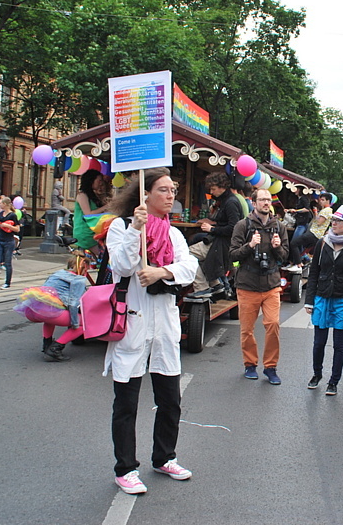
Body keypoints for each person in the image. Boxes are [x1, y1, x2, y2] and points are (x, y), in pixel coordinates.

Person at [102, 167, 197, 494]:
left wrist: (161, 272)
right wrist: (135, 230)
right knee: (126, 404)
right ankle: (125, 468)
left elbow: (188, 269)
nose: (171, 196)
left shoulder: (174, 233)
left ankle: (164, 457)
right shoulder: (121, 227)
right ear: (145, 194)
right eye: (164, 190)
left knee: (170, 400)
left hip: (165, 329)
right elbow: (122, 266)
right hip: (133, 324)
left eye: (173, 190)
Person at [229, 187, 290, 384]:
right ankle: (250, 364)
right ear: (253, 203)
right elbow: (233, 254)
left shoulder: (278, 226)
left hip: (271, 284)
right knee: (247, 329)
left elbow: (285, 257)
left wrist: (277, 247)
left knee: (273, 324)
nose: (266, 203)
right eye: (262, 200)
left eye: (268, 200)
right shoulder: (242, 225)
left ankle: (271, 367)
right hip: (247, 285)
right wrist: (250, 246)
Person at [304, 206, 343, 396]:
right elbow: (314, 273)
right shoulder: (323, 242)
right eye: (334, 220)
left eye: (338, 221)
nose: (334, 223)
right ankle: (316, 374)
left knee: (339, 344)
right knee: (318, 343)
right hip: (322, 297)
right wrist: (309, 300)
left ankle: (334, 381)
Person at [187, 172, 243, 298]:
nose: (212, 192)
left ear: (222, 186)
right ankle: (215, 283)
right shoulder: (227, 200)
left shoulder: (230, 202)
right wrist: (215, 223)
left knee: (187, 254)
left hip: (223, 244)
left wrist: (212, 229)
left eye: (213, 189)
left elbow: (234, 228)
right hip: (223, 243)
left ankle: (202, 287)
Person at [37, 256, 91, 362]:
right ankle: (55, 349)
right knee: (82, 325)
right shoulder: (78, 280)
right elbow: (73, 304)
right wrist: (74, 323)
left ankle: (46, 345)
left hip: (37, 308)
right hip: (53, 310)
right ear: (84, 268)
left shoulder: (58, 273)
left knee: (50, 317)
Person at [73, 170, 111, 256]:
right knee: (102, 256)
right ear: (91, 181)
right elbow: (88, 213)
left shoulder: (93, 196)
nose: (101, 183)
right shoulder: (82, 195)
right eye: (99, 181)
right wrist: (106, 207)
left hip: (93, 230)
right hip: (85, 232)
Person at [289, 193, 332, 265]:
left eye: (323, 200)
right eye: (320, 199)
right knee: (301, 248)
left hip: (314, 233)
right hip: (314, 234)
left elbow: (319, 222)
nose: (320, 201)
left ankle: (298, 264)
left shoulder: (326, 210)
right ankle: (301, 262)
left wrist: (315, 212)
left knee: (294, 243)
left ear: (328, 201)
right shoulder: (325, 210)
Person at [0, 196, 20, 290]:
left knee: (7, 262)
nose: (0, 204)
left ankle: (7, 282)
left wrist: (7, 226)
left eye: (1, 203)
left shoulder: (12, 215)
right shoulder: (1, 214)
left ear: (5, 204)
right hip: (0, 240)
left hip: (9, 241)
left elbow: (17, 229)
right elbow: (1, 227)